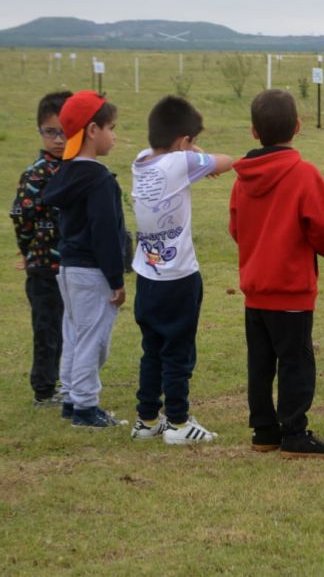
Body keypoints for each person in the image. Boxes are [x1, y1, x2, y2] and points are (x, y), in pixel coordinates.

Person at [229, 89, 324, 459]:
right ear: (297, 127)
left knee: (260, 364)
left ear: (253, 131)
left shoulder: (241, 178)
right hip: (291, 289)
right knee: (296, 363)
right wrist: (314, 247)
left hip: (256, 290)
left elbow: (236, 227)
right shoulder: (304, 173)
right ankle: (294, 432)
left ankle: (264, 431)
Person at [130, 96, 233, 444]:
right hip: (179, 278)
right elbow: (225, 162)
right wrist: (198, 156)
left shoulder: (140, 161)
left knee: (153, 349)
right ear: (183, 142)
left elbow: (181, 154)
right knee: (178, 351)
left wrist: (189, 150)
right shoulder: (180, 163)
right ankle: (178, 423)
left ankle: (146, 420)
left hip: (147, 276)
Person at [42, 91, 128, 427]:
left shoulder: (65, 173)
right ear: (92, 130)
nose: (114, 135)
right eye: (111, 127)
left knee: (75, 334)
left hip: (69, 268)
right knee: (94, 338)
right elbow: (104, 233)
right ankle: (85, 407)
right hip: (93, 272)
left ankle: (71, 399)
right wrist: (116, 280)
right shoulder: (100, 180)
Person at [10, 91, 72, 406]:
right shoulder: (37, 173)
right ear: (40, 132)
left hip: (73, 267)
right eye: (51, 132)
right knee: (46, 329)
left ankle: (62, 382)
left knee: (67, 329)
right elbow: (22, 215)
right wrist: (29, 250)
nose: (59, 139)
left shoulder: (77, 169)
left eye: (65, 131)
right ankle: (44, 390)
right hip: (44, 268)